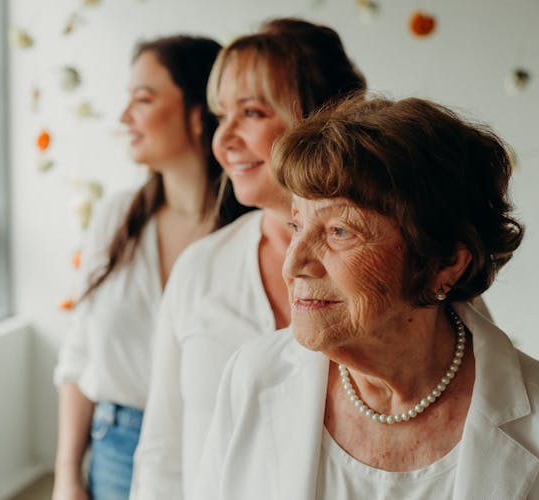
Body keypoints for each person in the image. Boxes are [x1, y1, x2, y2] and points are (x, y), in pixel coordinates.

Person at [194, 94, 539, 499]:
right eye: (297, 226)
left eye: (340, 231)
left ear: (443, 264)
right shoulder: (251, 378)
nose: (294, 264)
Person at [129, 19, 368, 500]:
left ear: (324, 123)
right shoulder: (200, 269)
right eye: (220, 117)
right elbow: (161, 453)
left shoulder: (396, 268)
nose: (224, 139)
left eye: (252, 113)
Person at [51, 35, 249, 500]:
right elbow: (79, 355)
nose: (125, 118)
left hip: (221, 444)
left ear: (199, 114)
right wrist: (66, 474)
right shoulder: (116, 219)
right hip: (117, 446)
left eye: (143, 99)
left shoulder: (254, 236)